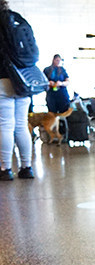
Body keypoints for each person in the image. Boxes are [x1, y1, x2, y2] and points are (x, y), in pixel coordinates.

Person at [0, 0, 34, 180]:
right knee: (21, 125)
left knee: (5, 125)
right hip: (23, 79)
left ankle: (5, 169)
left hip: (3, 79)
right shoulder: (17, 19)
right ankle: (26, 167)